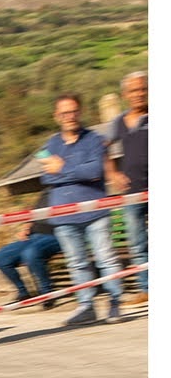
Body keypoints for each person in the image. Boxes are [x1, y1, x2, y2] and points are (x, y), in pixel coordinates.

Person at [40, 93, 124, 327]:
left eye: (74, 111)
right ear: (56, 116)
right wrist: (71, 170)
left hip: (95, 211)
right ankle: (86, 306)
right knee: (77, 262)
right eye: (65, 113)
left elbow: (95, 171)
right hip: (63, 214)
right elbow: (46, 177)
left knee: (106, 258)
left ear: (80, 112)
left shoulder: (94, 140)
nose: (70, 116)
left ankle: (115, 302)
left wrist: (62, 168)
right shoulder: (50, 144)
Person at [104, 70, 147, 304]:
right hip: (132, 193)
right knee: (137, 243)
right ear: (125, 95)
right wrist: (112, 173)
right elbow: (103, 148)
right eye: (134, 90)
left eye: (143, 89)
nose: (139, 94)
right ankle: (147, 289)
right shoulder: (119, 122)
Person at [0, 207, 62, 306]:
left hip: (57, 235)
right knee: (1, 257)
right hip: (33, 236)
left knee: (30, 253)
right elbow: (34, 213)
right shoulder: (48, 193)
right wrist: (26, 227)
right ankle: (23, 293)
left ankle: (47, 293)